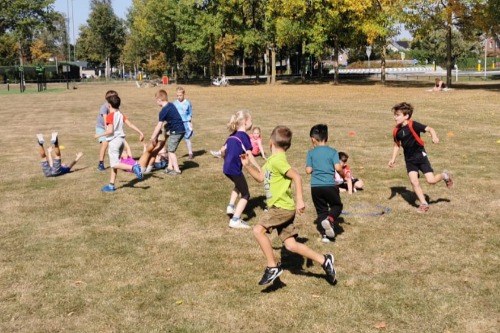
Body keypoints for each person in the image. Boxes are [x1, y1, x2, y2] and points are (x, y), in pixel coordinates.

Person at [241, 126, 337, 286]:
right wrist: (247, 165)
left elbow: (297, 177)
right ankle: (324, 260)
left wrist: (300, 200)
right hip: (280, 208)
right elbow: (260, 177)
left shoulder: (279, 161)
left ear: (270, 143)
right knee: (290, 245)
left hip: (281, 208)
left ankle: (272, 267)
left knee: (258, 230)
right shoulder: (272, 161)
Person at [388, 102, 454, 213]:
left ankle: (444, 175)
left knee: (431, 181)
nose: (395, 117)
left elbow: (430, 129)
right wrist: (393, 159)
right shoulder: (396, 131)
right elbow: (397, 145)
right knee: (414, 182)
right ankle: (424, 203)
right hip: (409, 160)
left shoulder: (413, 125)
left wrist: (434, 136)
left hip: (420, 157)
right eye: (395, 115)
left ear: (406, 116)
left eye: (398, 115)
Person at [95, 94, 144, 192]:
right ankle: (111, 185)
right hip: (122, 141)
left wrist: (99, 135)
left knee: (114, 164)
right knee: (115, 163)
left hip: (114, 142)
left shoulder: (110, 116)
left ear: (109, 105)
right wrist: (140, 132)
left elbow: (110, 131)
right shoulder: (120, 115)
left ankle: (134, 167)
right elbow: (130, 124)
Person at [305, 124, 344, 243]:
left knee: (321, 211)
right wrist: (343, 175)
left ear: (312, 139)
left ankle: (325, 236)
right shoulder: (332, 152)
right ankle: (331, 219)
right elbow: (338, 167)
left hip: (315, 187)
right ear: (327, 138)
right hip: (329, 185)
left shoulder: (310, 153)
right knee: (337, 206)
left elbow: (308, 171)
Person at [223, 110, 260, 229]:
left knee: (238, 185)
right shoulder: (244, 136)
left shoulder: (232, 135)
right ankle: (235, 220)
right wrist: (258, 167)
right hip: (234, 169)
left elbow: (223, 150)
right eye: (251, 120)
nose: (252, 122)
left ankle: (230, 206)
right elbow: (249, 154)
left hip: (227, 168)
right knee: (246, 194)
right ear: (245, 122)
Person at [149, 89, 185, 176]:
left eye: (156, 101)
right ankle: (169, 167)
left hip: (176, 131)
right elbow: (173, 119)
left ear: (159, 100)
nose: (156, 103)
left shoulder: (163, 111)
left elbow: (159, 126)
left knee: (171, 151)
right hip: (181, 129)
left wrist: (153, 137)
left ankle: (176, 170)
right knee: (169, 149)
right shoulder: (171, 105)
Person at [96, 90, 117, 171]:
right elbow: (105, 120)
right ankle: (101, 163)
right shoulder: (104, 107)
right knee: (105, 144)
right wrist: (107, 131)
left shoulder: (115, 106)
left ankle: (119, 161)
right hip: (101, 128)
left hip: (110, 128)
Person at [173, 86, 194, 159]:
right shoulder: (174, 103)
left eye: (180, 95)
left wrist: (190, 123)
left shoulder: (188, 103)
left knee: (187, 138)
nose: (179, 97)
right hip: (178, 123)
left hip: (186, 123)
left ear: (184, 94)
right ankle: (172, 153)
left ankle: (190, 153)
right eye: (177, 95)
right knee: (175, 138)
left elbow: (190, 114)